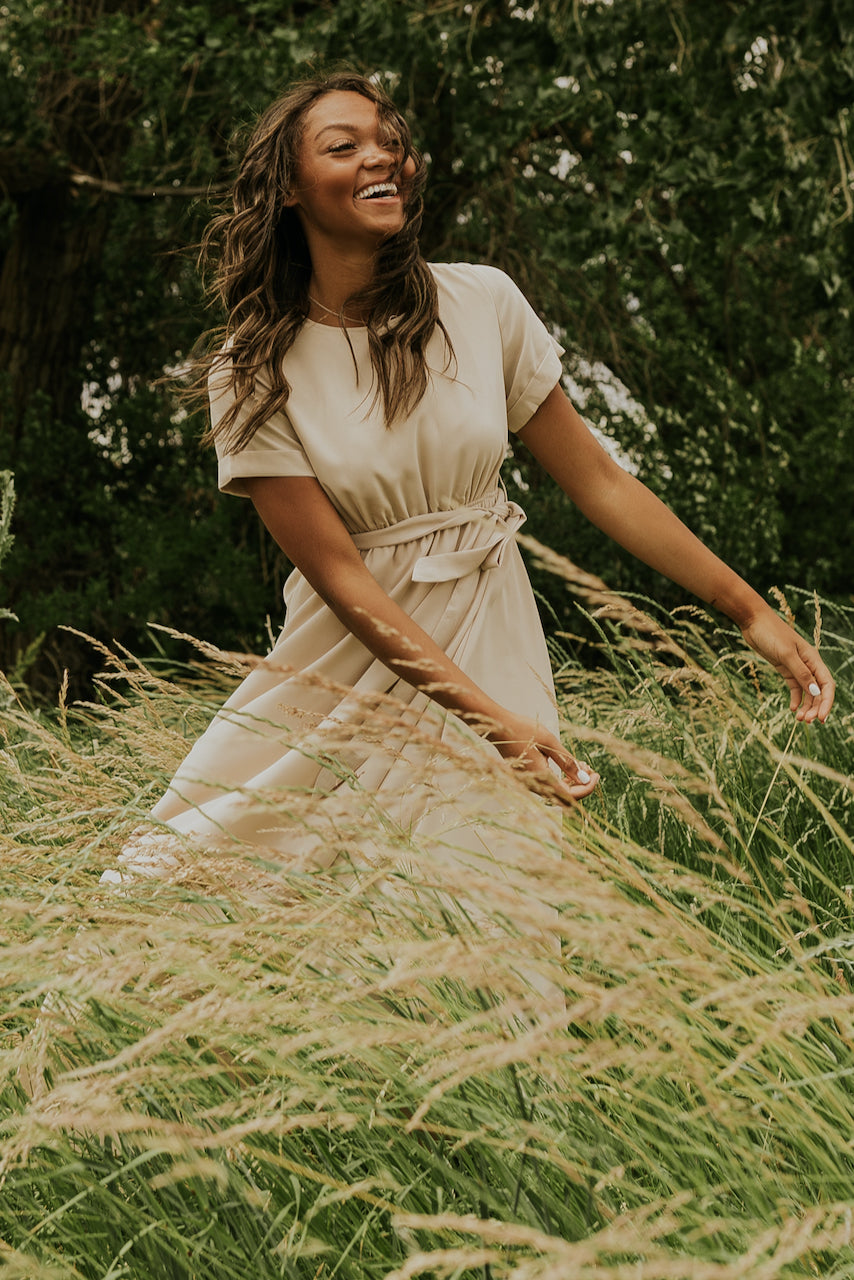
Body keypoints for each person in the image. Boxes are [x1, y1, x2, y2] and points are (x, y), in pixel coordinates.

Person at [107, 71, 833, 888]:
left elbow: (601, 483)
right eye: (343, 146)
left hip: (495, 631)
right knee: (199, 876)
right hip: (350, 660)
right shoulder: (251, 369)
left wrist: (748, 610)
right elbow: (340, 575)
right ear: (286, 189)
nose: (381, 157)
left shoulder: (482, 302)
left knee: (497, 894)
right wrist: (489, 721)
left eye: (390, 141)